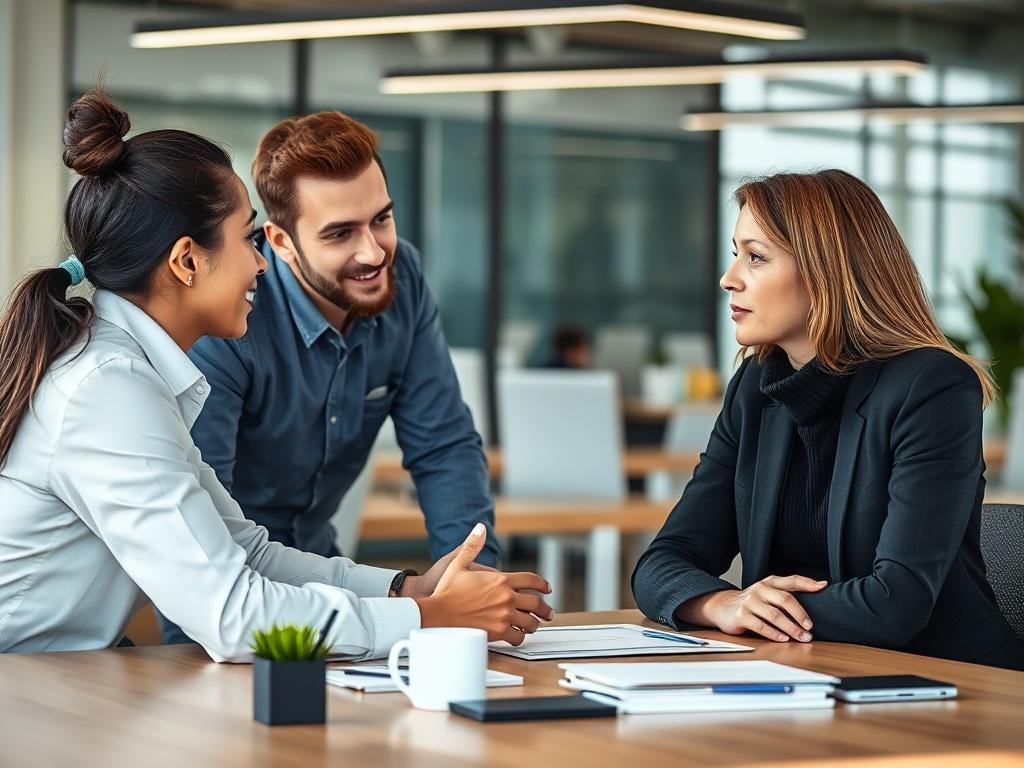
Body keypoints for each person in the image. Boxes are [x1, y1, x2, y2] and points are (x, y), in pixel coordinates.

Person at [0, 90, 552, 660]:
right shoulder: (108, 389)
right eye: (247, 238)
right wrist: (426, 617)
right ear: (187, 261)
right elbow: (231, 613)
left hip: (60, 675)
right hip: (26, 687)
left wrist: (406, 590)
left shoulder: (131, 373)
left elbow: (247, 551)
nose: (260, 262)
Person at [632, 169, 1024, 670]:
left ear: (824, 270)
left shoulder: (931, 386)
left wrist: (761, 610)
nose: (729, 278)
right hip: (804, 671)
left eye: (756, 257)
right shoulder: (755, 388)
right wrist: (723, 603)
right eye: (736, 255)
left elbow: (896, 603)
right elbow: (663, 562)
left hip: (942, 681)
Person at [156, 110, 504, 644]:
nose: (373, 252)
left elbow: (444, 447)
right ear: (280, 241)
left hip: (329, 574)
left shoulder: (402, 277)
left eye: (381, 220)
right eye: (341, 233)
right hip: (235, 595)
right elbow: (205, 536)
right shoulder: (229, 319)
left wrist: (470, 578)